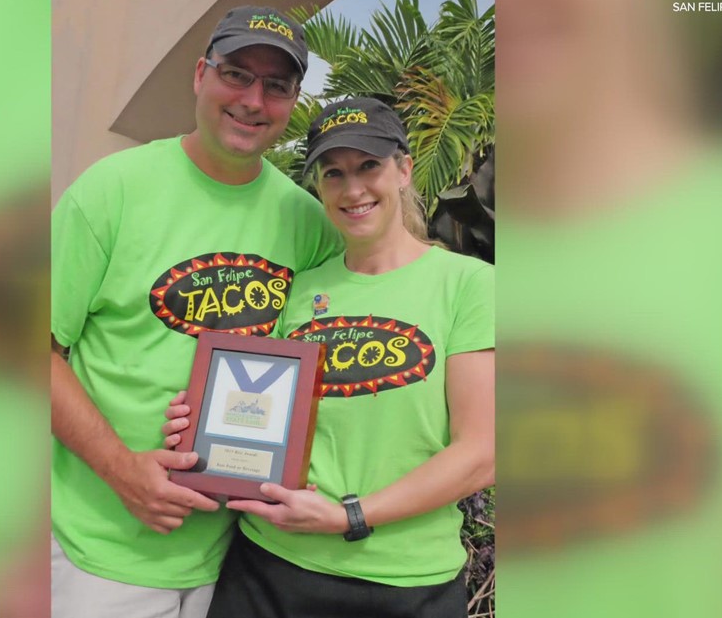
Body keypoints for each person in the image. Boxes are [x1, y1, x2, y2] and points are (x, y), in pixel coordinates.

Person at [50, 6, 344, 618]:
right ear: (199, 75)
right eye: (236, 74)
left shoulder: (309, 224)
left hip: (238, 559)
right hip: (101, 556)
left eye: (277, 86)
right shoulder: (112, 191)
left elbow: (324, 365)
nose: (253, 100)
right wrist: (123, 470)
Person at [164, 97, 496, 617]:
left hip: (403, 585)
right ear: (318, 185)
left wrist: (351, 516)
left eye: (369, 166)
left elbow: (481, 452)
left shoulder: (469, 285)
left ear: (404, 169)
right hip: (267, 568)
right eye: (333, 173)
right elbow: (254, 402)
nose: (353, 188)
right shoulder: (298, 290)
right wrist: (199, 421)